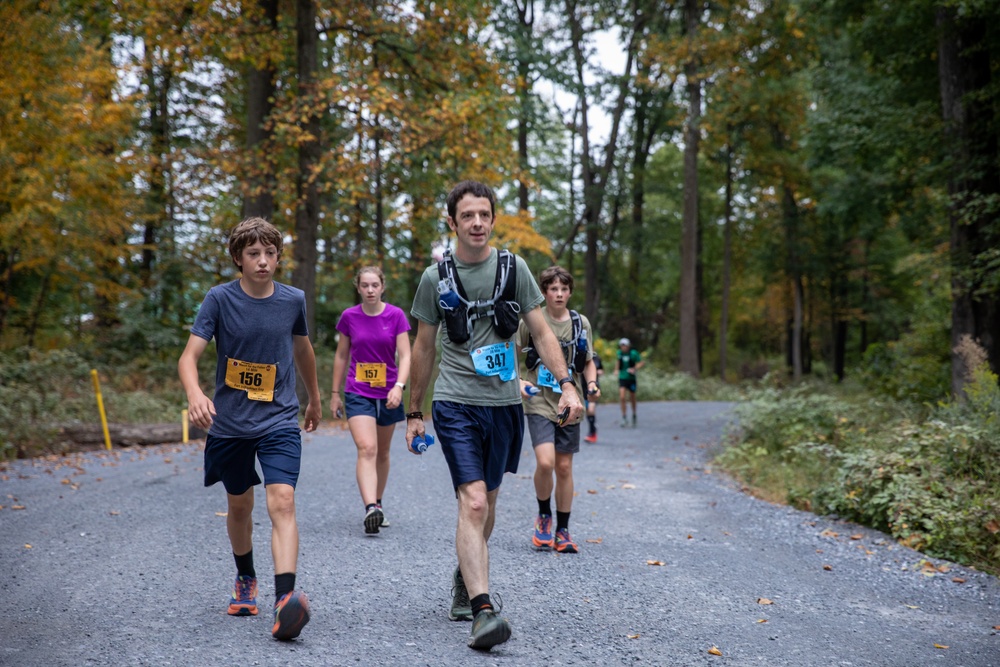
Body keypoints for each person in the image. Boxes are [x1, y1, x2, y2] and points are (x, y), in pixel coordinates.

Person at [406, 180, 584, 651]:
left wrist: (568, 382)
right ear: (452, 223)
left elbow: (542, 332)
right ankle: (483, 610)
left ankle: (468, 575)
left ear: (493, 218)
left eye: (484, 214)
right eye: (467, 216)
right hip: (455, 402)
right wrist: (414, 410)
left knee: (491, 503)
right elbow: (423, 347)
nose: (477, 223)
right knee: (475, 501)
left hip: (505, 406)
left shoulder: (516, 269)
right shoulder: (434, 277)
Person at [178, 217, 322, 641]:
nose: (263, 261)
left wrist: (313, 397)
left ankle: (286, 600)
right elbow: (189, 358)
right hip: (230, 422)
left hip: (278, 417)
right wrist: (195, 393)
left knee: (283, 500)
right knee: (240, 505)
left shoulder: (292, 300)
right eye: (254, 254)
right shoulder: (219, 299)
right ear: (238, 258)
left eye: (270, 254)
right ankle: (245, 577)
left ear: (278, 257)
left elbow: (303, 349)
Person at [516, 266, 600, 555]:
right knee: (546, 462)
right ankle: (543, 516)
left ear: (570, 292)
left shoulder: (580, 323)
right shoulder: (531, 321)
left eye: (564, 289)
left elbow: (589, 360)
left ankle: (563, 530)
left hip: (570, 401)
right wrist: (520, 381)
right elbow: (513, 353)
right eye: (553, 289)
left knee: (564, 466)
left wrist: (591, 385)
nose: (559, 294)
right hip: (539, 399)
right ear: (544, 292)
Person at [329, 266, 411, 535]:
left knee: (383, 452)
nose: (370, 290)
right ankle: (370, 508)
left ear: (382, 287)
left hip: (389, 392)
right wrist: (334, 394)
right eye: (365, 285)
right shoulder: (349, 317)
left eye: (375, 285)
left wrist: (399, 386)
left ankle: (378, 502)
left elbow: (406, 355)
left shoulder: (396, 315)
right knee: (367, 448)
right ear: (358, 288)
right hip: (357, 391)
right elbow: (342, 355)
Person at [616, 337, 644, 427]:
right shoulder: (619, 353)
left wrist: (634, 369)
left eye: (625, 345)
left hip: (631, 378)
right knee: (622, 397)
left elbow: (641, 362)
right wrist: (616, 370)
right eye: (622, 345)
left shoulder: (633, 353)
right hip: (622, 377)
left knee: (632, 397)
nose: (624, 347)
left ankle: (634, 414)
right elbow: (618, 363)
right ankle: (624, 417)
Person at [584, 353, 604, 443]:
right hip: (582, 387)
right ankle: (592, 431)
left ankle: (593, 432)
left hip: (593, 387)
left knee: (591, 409)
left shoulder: (596, 357)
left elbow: (602, 370)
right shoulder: (579, 354)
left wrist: (598, 372)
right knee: (588, 411)